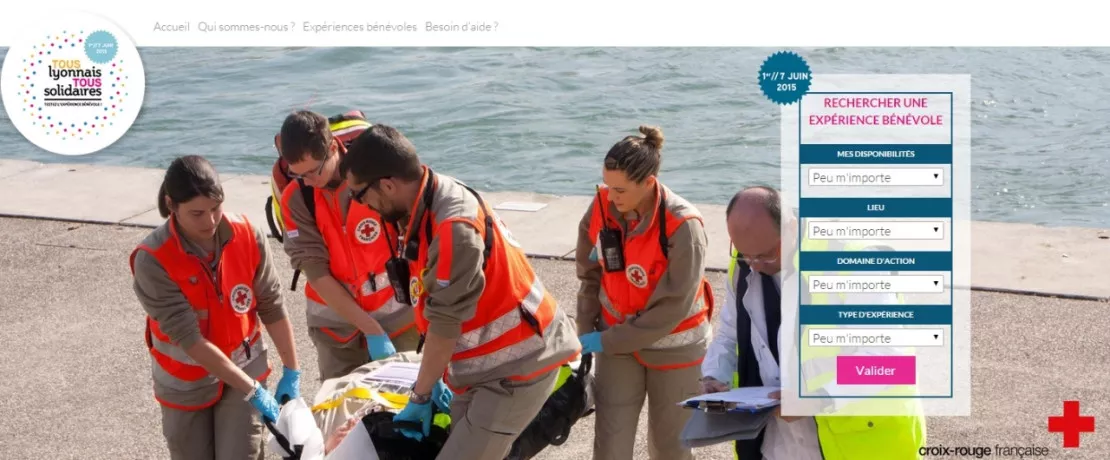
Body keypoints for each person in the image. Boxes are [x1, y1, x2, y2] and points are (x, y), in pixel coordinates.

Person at [341, 123, 582, 460]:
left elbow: (444, 324)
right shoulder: (422, 205)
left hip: (519, 367)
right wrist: (436, 376)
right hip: (480, 368)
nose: (361, 204)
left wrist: (421, 395)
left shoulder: (454, 229)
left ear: (387, 184)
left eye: (359, 193)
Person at [699, 185, 926, 460]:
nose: (754, 265)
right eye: (745, 254)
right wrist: (715, 375)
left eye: (765, 254)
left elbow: (890, 360)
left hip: (860, 442)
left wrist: (819, 398)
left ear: (792, 228)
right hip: (778, 443)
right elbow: (729, 336)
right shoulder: (745, 264)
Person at [130, 155, 302, 460]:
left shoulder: (247, 234)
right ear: (171, 206)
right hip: (185, 378)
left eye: (215, 208)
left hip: (244, 363)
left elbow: (271, 305)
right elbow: (190, 340)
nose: (210, 222)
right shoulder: (153, 259)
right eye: (197, 213)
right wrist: (253, 390)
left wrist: (292, 370)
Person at [575, 125, 713, 460]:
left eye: (619, 189)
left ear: (649, 183)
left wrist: (606, 341)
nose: (611, 196)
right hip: (617, 343)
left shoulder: (684, 227)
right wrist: (585, 327)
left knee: (672, 446)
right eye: (607, 186)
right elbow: (589, 273)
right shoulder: (602, 206)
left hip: (674, 346)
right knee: (610, 443)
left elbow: (672, 307)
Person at [277, 110, 420, 381]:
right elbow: (316, 273)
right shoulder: (297, 198)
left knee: (406, 402)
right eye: (298, 175)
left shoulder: (377, 177)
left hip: (398, 319)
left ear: (333, 147)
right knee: (342, 411)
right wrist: (370, 328)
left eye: (312, 172)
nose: (307, 182)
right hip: (335, 328)